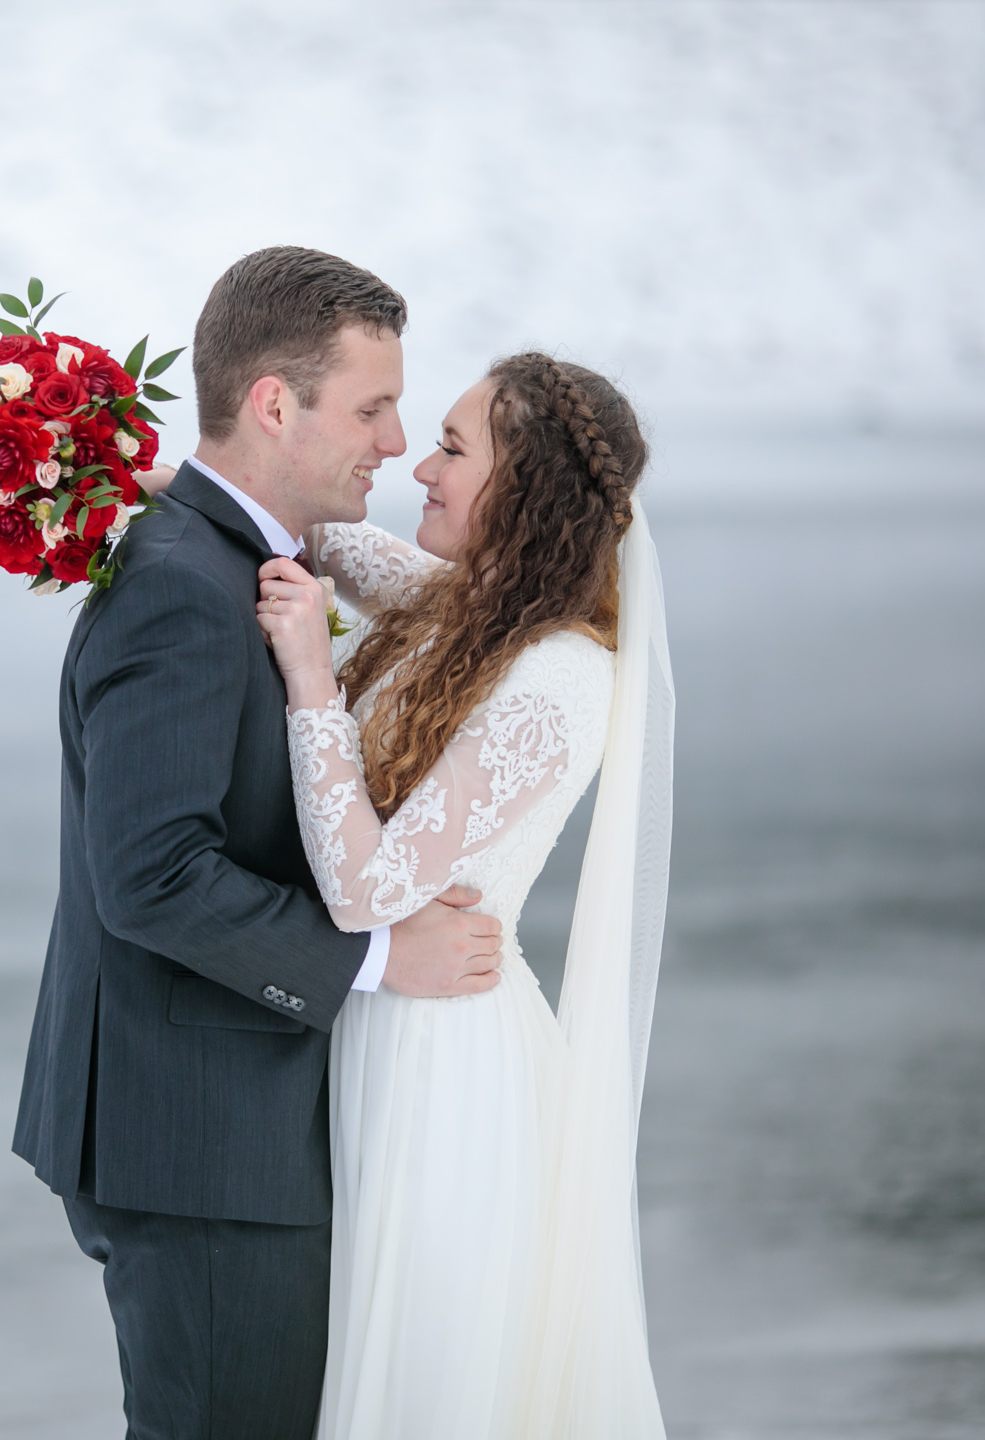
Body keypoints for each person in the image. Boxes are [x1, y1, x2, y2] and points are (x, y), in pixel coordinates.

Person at [11, 248, 509, 1440]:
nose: (393, 444)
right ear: (275, 403)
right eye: (372, 408)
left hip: (218, 1128)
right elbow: (152, 879)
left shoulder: (239, 558)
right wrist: (386, 961)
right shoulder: (184, 585)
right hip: (198, 1145)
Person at [251, 352, 672, 1437]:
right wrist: (111, 471)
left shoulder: (559, 677)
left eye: (449, 446)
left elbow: (363, 888)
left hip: (448, 1071)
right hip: (387, 1033)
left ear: (524, 489)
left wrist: (311, 680)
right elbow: (335, 539)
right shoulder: (469, 608)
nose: (417, 467)